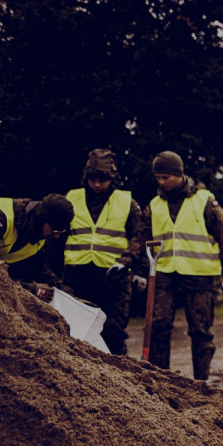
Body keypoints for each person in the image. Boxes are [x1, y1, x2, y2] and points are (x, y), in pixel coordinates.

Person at [130, 151, 223, 380]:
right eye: (158, 178)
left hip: (199, 275)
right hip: (164, 273)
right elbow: (141, 237)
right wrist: (139, 271)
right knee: (158, 327)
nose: (161, 182)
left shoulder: (204, 200)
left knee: (200, 331)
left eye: (166, 177)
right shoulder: (155, 205)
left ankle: (202, 382)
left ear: (179, 174)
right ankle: (161, 379)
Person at [61, 149, 144, 354]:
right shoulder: (70, 198)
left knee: (113, 333)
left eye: (103, 180)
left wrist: (131, 264)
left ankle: (119, 378)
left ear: (112, 178)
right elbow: (57, 237)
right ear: (85, 177)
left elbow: (139, 237)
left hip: (114, 276)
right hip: (76, 275)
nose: (97, 184)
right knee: (76, 331)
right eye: (93, 179)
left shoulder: (127, 203)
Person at [0, 193, 74, 301]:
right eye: (55, 230)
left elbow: (36, 267)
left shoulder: (36, 233)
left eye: (61, 231)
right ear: (41, 219)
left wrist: (68, 295)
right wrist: (29, 288)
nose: (57, 236)